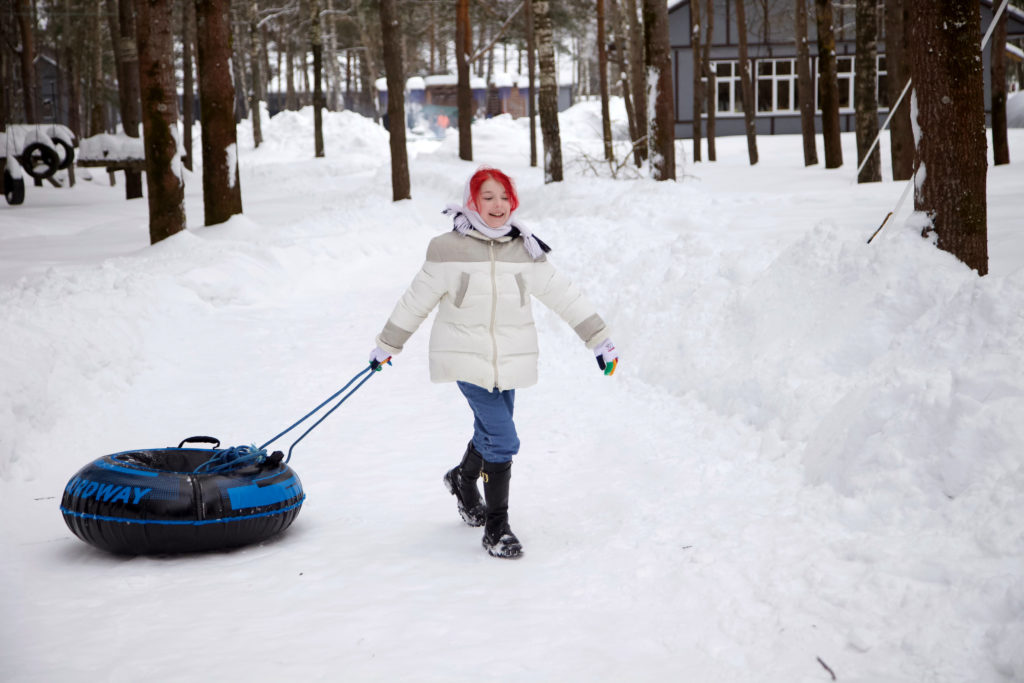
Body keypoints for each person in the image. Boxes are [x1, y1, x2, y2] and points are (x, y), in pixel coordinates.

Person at [369, 166, 618, 559]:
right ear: (471, 202)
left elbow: (563, 295)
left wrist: (598, 338)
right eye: (487, 197)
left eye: (504, 197)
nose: (497, 205)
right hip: (466, 360)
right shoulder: (446, 248)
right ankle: (496, 528)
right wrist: (388, 344)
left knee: (490, 432)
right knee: (503, 439)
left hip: (510, 362)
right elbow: (415, 301)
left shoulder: (526, 248)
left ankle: (463, 479)